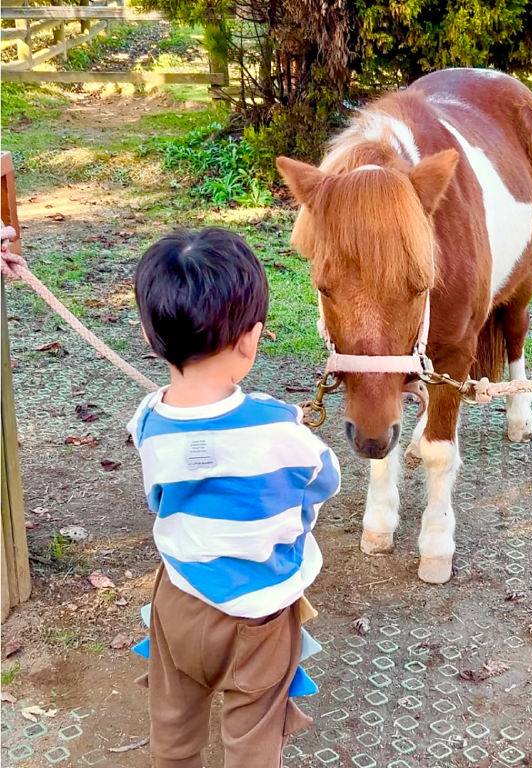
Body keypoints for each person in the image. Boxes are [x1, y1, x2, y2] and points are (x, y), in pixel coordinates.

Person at [127, 227, 340, 768]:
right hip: (261, 615)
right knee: (254, 738)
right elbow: (324, 479)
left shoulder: (148, 420)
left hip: (178, 602)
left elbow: (158, 497)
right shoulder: (279, 426)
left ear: (152, 340)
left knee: (173, 728)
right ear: (252, 338)